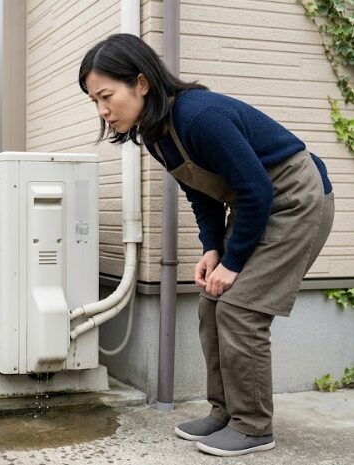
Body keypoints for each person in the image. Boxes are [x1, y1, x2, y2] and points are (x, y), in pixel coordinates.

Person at [78, 34, 334, 457]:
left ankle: (254, 427)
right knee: (211, 302)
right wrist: (213, 250)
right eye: (95, 102)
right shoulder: (156, 135)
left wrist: (233, 264)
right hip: (259, 204)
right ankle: (226, 413)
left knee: (240, 308)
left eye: (106, 96)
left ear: (141, 83)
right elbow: (202, 194)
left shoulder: (200, 116)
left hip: (296, 200)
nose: (103, 111)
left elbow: (255, 189)